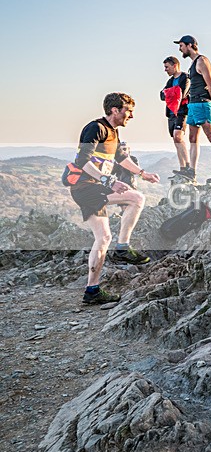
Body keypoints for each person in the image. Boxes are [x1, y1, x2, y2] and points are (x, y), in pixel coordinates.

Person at [69, 93, 160, 305]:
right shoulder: (96, 128)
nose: (131, 116)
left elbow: (121, 158)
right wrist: (108, 181)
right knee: (136, 198)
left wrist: (143, 173)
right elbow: (82, 160)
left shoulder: (113, 132)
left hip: (91, 189)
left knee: (103, 238)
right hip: (86, 187)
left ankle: (92, 290)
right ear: (115, 110)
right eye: (128, 111)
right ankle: (123, 249)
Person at [174, 35, 211, 182]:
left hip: (203, 103)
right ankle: (192, 171)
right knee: (192, 138)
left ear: (190, 45)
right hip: (193, 104)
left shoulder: (202, 61)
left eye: (181, 45)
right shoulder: (192, 64)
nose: (180, 49)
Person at [160, 56, 190, 176]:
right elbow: (162, 95)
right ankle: (182, 168)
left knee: (178, 137)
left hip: (181, 112)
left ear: (174, 65)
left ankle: (188, 166)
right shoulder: (170, 81)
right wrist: (172, 92)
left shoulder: (185, 77)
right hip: (171, 113)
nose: (165, 70)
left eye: (167, 67)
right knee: (175, 139)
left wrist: (169, 93)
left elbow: (182, 94)